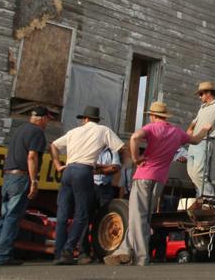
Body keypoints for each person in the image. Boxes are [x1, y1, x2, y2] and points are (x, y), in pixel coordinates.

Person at [105, 101, 203, 266]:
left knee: (138, 216)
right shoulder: (176, 132)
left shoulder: (151, 128)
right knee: (143, 216)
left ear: (152, 115)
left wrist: (136, 158)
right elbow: (195, 139)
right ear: (165, 116)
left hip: (144, 175)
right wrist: (206, 129)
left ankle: (141, 257)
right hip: (160, 179)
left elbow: (135, 137)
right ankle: (125, 250)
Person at [49, 105, 125, 265]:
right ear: (97, 120)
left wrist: (57, 164)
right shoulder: (103, 130)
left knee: (62, 214)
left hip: (68, 170)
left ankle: (58, 252)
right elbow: (121, 148)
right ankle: (68, 250)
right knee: (82, 215)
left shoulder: (73, 132)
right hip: (84, 171)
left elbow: (53, 145)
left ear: (84, 119)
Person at [0, 106, 51, 266]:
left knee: (4, 217)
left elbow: (9, 154)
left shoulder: (20, 130)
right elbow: (32, 156)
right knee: (13, 218)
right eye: (48, 119)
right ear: (42, 118)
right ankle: (3, 256)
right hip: (21, 177)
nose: (47, 123)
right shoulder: (37, 132)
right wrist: (34, 180)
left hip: (8, 175)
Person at [180, 81, 215, 198]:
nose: (200, 97)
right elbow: (194, 122)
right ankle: (202, 196)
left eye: (201, 94)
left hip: (204, 142)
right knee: (191, 173)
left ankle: (208, 198)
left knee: (199, 173)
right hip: (194, 143)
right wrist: (190, 130)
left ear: (208, 93)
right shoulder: (202, 108)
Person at [85, 146, 121, 261]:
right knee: (85, 218)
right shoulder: (91, 148)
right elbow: (87, 167)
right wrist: (106, 168)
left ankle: (102, 252)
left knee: (105, 220)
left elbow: (115, 168)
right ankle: (84, 252)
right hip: (91, 185)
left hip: (105, 188)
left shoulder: (112, 151)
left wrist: (97, 168)